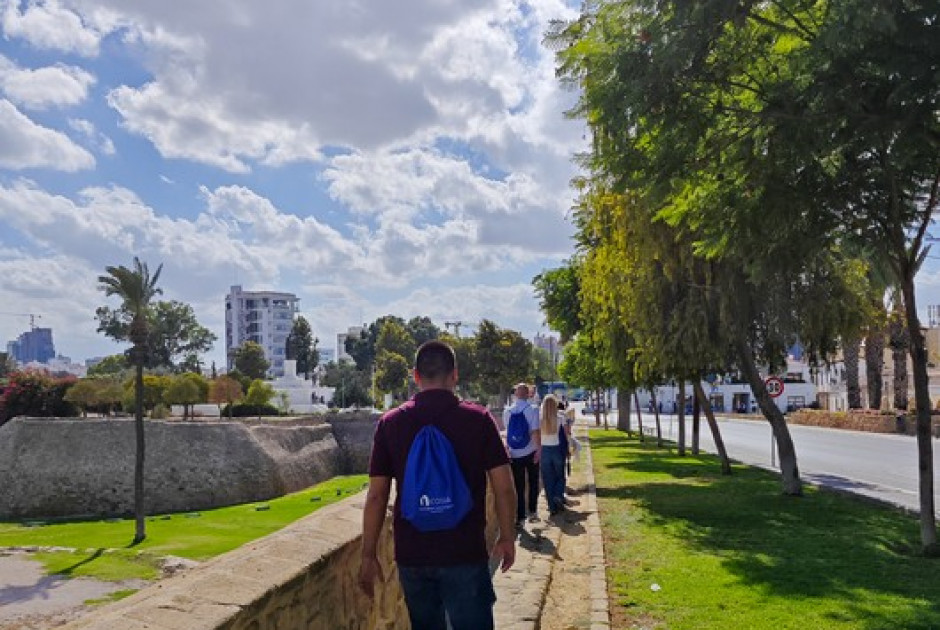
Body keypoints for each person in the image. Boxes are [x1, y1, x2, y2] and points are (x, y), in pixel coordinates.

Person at [358, 340, 516, 630]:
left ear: (415, 376)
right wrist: (507, 536)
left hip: (412, 554)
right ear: (454, 375)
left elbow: (377, 496)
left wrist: (368, 555)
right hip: (465, 550)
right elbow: (504, 487)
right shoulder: (478, 419)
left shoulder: (390, 423)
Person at [503, 382, 541, 526]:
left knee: (518, 486)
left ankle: (520, 517)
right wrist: (539, 450)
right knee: (533, 482)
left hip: (514, 453)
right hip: (530, 450)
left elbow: (507, 431)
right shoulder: (533, 409)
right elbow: (535, 431)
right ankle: (532, 511)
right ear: (527, 394)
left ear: (515, 394)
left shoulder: (507, 411)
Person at [539, 394, 566, 515]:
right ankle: (558, 494)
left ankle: (551, 507)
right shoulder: (560, 417)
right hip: (556, 449)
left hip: (544, 450)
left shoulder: (539, 419)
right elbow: (566, 434)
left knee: (548, 479)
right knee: (560, 476)